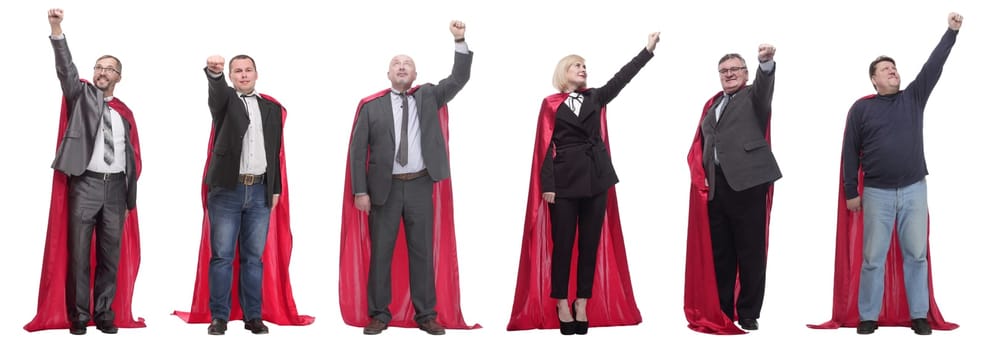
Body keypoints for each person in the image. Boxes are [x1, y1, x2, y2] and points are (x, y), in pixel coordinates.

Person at [508, 33, 659, 335]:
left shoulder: (595, 97)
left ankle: (582, 303)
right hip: (562, 183)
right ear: (563, 72)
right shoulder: (550, 103)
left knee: (590, 246)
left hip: (596, 178)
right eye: (576, 65)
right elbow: (544, 146)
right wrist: (547, 185)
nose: (583, 69)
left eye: (584, 66)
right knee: (563, 246)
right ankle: (561, 302)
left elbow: (622, 78)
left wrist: (646, 51)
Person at [342, 20, 474, 336]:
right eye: (396, 64)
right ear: (388, 74)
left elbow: (459, 78)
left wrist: (460, 40)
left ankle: (426, 314)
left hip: (419, 184)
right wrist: (360, 191)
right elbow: (358, 153)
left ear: (415, 75)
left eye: (408, 65)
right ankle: (379, 315)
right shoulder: (371, 107)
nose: (402, 68)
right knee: (381, 254)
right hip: (382, 190)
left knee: (421, 252)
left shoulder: (429, 96)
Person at [837, 12, 963, 336]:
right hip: (876, 192)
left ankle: (918, 314)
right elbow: (850, 152)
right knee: (872, 257)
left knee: (916, 254)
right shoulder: (861, 110)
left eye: (894, 68)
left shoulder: (913, 98)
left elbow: (934, 65)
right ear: (874, 80)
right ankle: (868, 316)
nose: (892, 71)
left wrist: (951, 32)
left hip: (913, 190)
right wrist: (852, 191)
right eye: (884, 69)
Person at [24, 8, 145, 335]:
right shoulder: (81, 97)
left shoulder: (125, 114)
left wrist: (129, 187)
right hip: (86, 186)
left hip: (117, 189)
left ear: (119, 77)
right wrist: (57, 29)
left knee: (110, 255)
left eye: (110, 69)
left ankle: (104, 313)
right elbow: (66, 69)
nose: (103, 72)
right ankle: (79, 315)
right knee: (78, 254)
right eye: (99, 67)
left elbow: (133, 154)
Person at [173, 54, 313, 332]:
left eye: (248, 70)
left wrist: (275, 189)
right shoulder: (225, 102)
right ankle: (219, 317)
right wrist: (214, 75)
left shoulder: (271, 109)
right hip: (227, 190)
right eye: (237, 71)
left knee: (253, 258)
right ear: (232, 76)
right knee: (222, 256)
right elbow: (216, 93)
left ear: (256, 74)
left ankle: (253, 316)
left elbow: (276, 153)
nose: (244, 75)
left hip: (260, 190)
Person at [683, 43, 779, 334]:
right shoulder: (712, 105)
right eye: (723, 71)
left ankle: (749, 312)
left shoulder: (754, 96)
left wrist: (766, 64)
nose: (728, 74)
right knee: (721, 252)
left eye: (734, 69)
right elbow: (707, 143)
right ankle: (723, 309)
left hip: (748, 183)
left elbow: (765, 87)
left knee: (750, 250)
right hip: (717, 187)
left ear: (746, 73)